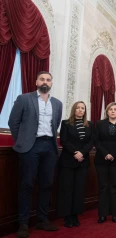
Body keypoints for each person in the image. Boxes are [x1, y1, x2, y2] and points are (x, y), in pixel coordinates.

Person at [8, 71, 62, 238]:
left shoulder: (57, 104)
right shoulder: (24, 99)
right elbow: (13, 122)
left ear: (51, 83)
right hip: (30, 147)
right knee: (27, 184)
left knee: (46, 184)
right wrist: (22, 141)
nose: (45, 81)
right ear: (36, 82)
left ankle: (42, 219)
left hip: (50, 147)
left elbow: (56, 123)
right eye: (42, 79)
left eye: (48, 79)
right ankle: (23, 223)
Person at [57, 101, 94, 228]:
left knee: (79, 189)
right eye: (78, 108)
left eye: (82, 108)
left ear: (85, 111)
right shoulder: (66, 123)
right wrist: (75, 153)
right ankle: (67, 216)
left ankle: (75, 215)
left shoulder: (90, 125)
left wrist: (82, 153)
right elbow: (63, 140)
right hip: (68, 160)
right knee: (67, 189)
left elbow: (91, 142)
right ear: (74, 110)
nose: (80, 110)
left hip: (83, 161)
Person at [94, 102, 116, 224]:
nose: (113, 111)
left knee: (115, 187)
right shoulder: (100, 124)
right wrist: (105, 154)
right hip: (101, 159)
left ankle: (114, 214)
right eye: (110, 109)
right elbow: (96, 141)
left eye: (115, 109)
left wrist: (113, 154)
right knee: (103, 187)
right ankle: (102, 214)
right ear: (107, 112)